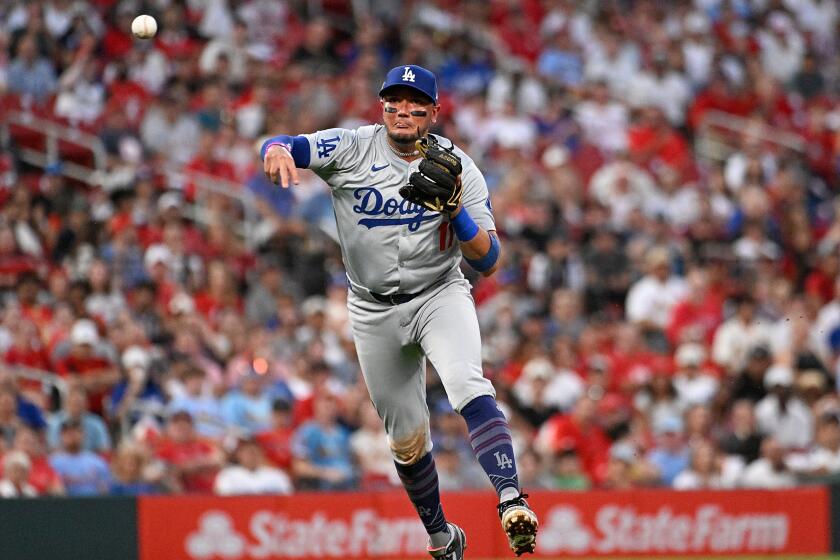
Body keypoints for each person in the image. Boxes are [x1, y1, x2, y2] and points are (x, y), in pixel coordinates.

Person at [262, 64, 537, 558]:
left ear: (433, 112)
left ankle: (511, 498)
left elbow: (490, 260)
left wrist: (456, 209)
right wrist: (275, 149)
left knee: (466, 382)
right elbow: (290, 144)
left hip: (439, 293)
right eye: (394, 102)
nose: (403, 112)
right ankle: (440, 538)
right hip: (371, 308)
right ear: (382, 107)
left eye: (415, 105)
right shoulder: (352, 146)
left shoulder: (459, 167)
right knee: (406, 439)